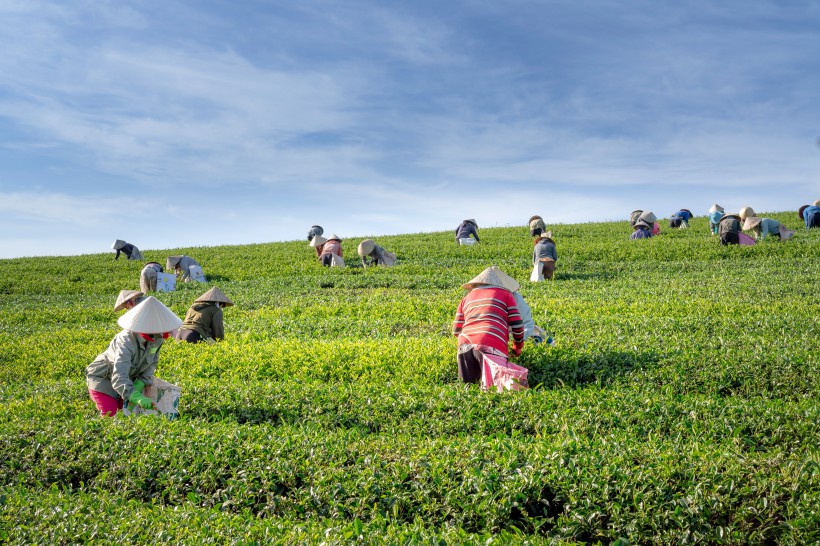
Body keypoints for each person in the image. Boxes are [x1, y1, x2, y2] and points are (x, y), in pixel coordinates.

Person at [86, 296, 182, 417]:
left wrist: (140, 384)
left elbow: (151, 365)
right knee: (111, 414)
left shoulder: (157, 338)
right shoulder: (125, 341)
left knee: (128, 414)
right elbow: (119, 376)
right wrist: (137, 397)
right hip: (103, 378)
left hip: (128, 381)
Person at [452, 266, 525, 384]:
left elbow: (456, 331)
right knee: (497, 390)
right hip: (492, 344)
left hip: (465, 345)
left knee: (468, 389)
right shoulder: (506, 295)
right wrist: (517, 347)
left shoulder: (466, 298)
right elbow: (517, 325)